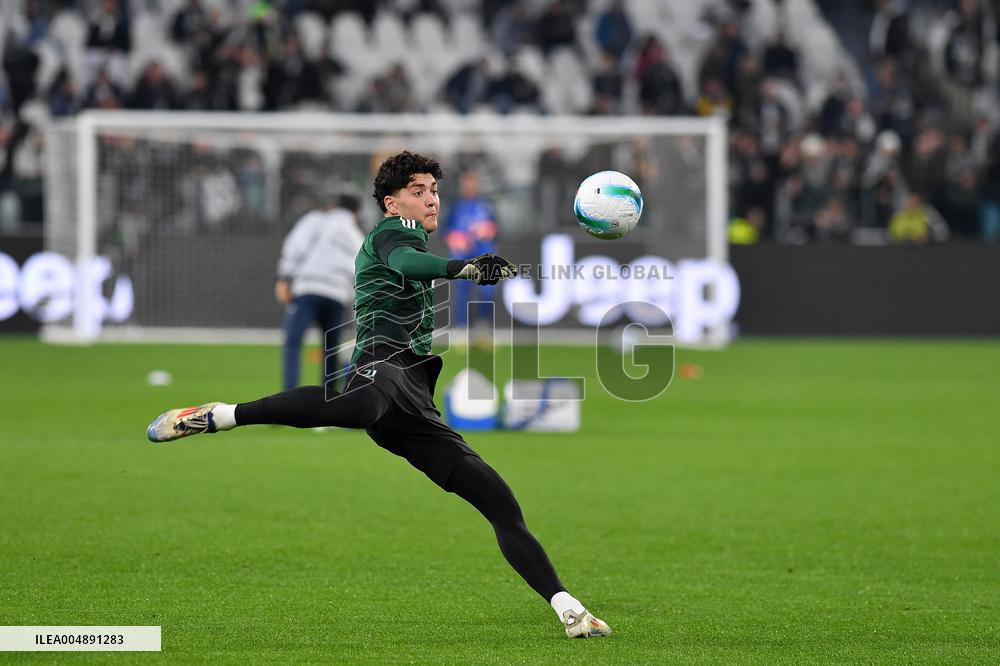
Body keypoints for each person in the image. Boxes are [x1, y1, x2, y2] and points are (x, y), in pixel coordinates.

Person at [146, 151, 611, 639]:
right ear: (391, 203)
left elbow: (417, 265)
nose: (431, 199)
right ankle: (221, 415)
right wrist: (466, 268)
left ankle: (570, 610)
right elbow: (407, 262)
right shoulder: (391, 233)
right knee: (361, 406)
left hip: (414, 397)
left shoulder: (413, 236)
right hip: (380, 364)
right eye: (418, 191)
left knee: (498, 500)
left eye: (434, 190)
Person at [275, 184, 364, 391]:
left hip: (307, 288)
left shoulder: (314, 220)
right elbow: (361, 271)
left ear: (332, 206)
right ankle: (329, 399)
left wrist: (284, 278)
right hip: (337, 295)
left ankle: (289, 394)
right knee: (331, 349)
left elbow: (294, 248)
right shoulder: (356, 236)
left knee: (293, 341)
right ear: (357, 213)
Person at [443, 168, 499, 329]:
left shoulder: (486, 205)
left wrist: (488, 230)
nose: (468, 186)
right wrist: (455, 238)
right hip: (462, 254)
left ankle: (484, 324)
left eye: (471, 182)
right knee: (461, 291)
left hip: (484, 252)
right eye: (465, 183)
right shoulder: (454, 206)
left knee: (487, 289)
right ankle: (461, 325)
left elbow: (496, 228)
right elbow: (444, 230)